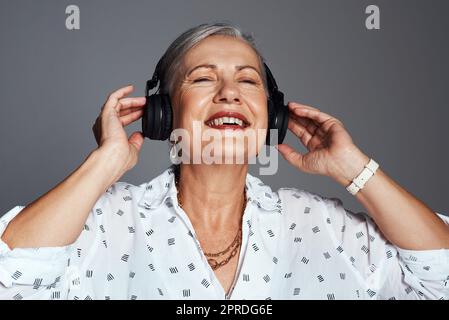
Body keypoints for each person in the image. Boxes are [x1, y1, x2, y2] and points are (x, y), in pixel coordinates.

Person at [1, 22, 448, 300]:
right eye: (202, 79)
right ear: (164, 113)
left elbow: (439, 280)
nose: (229, 93)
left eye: (247, 80)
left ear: (271, 116)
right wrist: (104, 163)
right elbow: (10, 281)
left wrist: (355, 169)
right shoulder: (100, 223)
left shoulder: (325, 227)